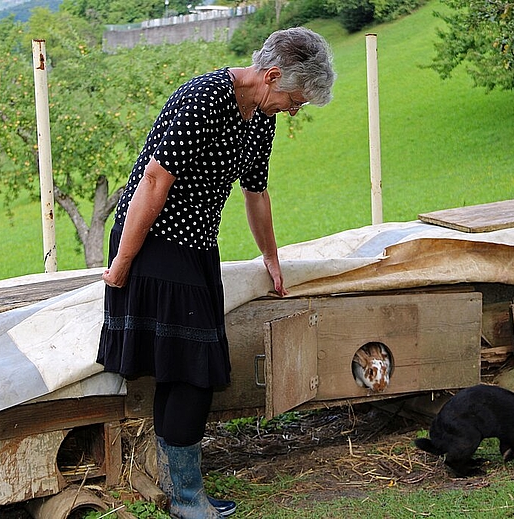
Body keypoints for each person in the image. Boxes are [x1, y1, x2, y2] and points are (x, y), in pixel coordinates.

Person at [96, 26, 336, 518]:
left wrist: (271, 256)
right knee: (193, 375)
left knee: (184, 372)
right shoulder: (202, 99)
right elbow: (153, 182)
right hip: (155, 243)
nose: (294, 110)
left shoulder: (260, 120)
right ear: (271, 76)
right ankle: (186, 499)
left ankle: (179, 491)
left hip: (197, 247)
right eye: (294, 99)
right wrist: (121, 262)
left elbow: (256, 191)